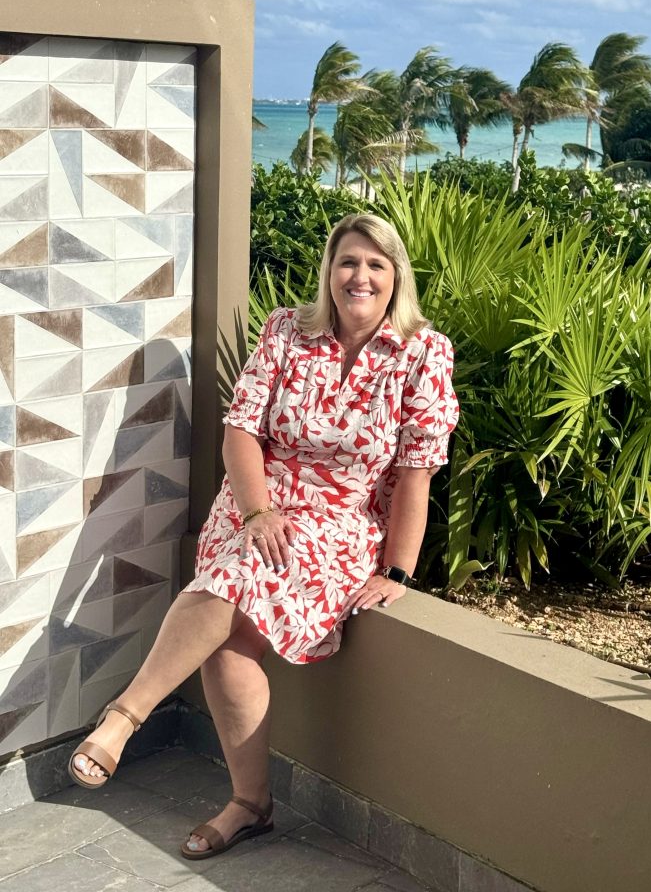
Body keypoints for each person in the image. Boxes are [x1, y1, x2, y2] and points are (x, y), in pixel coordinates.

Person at [68, 212, 459, 860]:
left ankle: (124, 717)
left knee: (230, 584)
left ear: (396, 276)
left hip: (337, 526)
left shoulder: (425, 351)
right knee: (228, 643)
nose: (359, 276)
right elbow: (242, 429)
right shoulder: (286, 330)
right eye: (347, 261)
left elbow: (417, 471)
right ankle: (250, 804)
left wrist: (396, 571)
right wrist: (257, 512)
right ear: (329, 270)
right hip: (255, 510)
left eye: (375, 264)